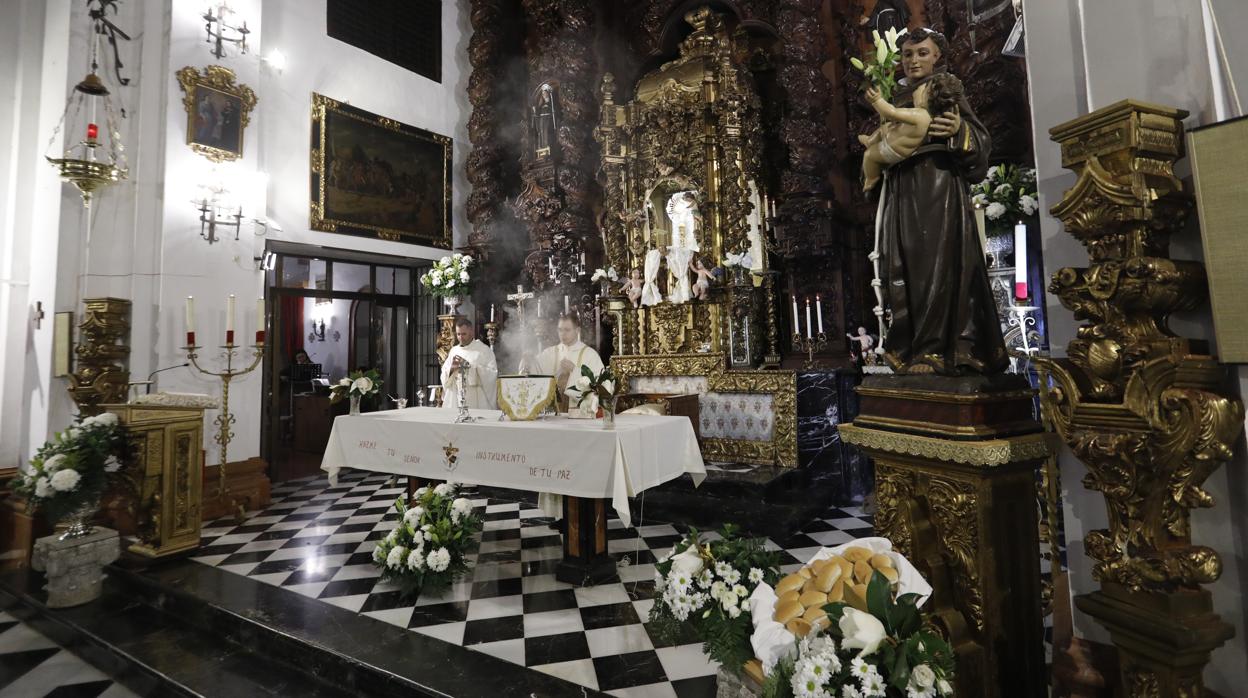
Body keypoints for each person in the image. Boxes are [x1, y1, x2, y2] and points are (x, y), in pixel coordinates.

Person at [873, 27, 1007, 375]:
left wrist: (958, 132)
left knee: (936, 265)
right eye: (907, 54)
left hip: (937, 184)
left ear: (937, 57)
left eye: (922, 53)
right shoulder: (896, 97)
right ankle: (912, 346)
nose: (913, 60)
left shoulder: (943, 90)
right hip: (902, 188)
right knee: (904, 266)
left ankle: (936, 351)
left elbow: (980, 139)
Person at [857, 74, 964, 191]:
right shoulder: (926, 115)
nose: (918, 89)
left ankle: (871, 178)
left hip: (893, 149)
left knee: (869, 155)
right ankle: (869, 140)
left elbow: (891, 113)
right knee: (886, 128)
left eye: (922, 88)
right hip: (894, 137)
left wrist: (876, 100)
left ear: (928, 96)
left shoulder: (920, 115)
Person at [535, 314, 604, 414]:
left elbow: (599, 386)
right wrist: (529, 361)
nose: (562, 334)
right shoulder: (549, 353)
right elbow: (535, 373)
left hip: (580, 415)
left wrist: (574, 370)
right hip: (553, 417)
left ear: (577, 330)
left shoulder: (590, 354)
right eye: (560, 330)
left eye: (567, 330)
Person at [439, 319, 498, 409]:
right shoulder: (454, 351)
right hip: (456, 397)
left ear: (471, 332)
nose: (461, 337)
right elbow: (445, 373)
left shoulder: (483, 350)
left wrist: (469, 367)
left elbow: (492, 374)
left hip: (475, 400)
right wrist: (452, 369)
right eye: (458, 334)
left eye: (464, 334)